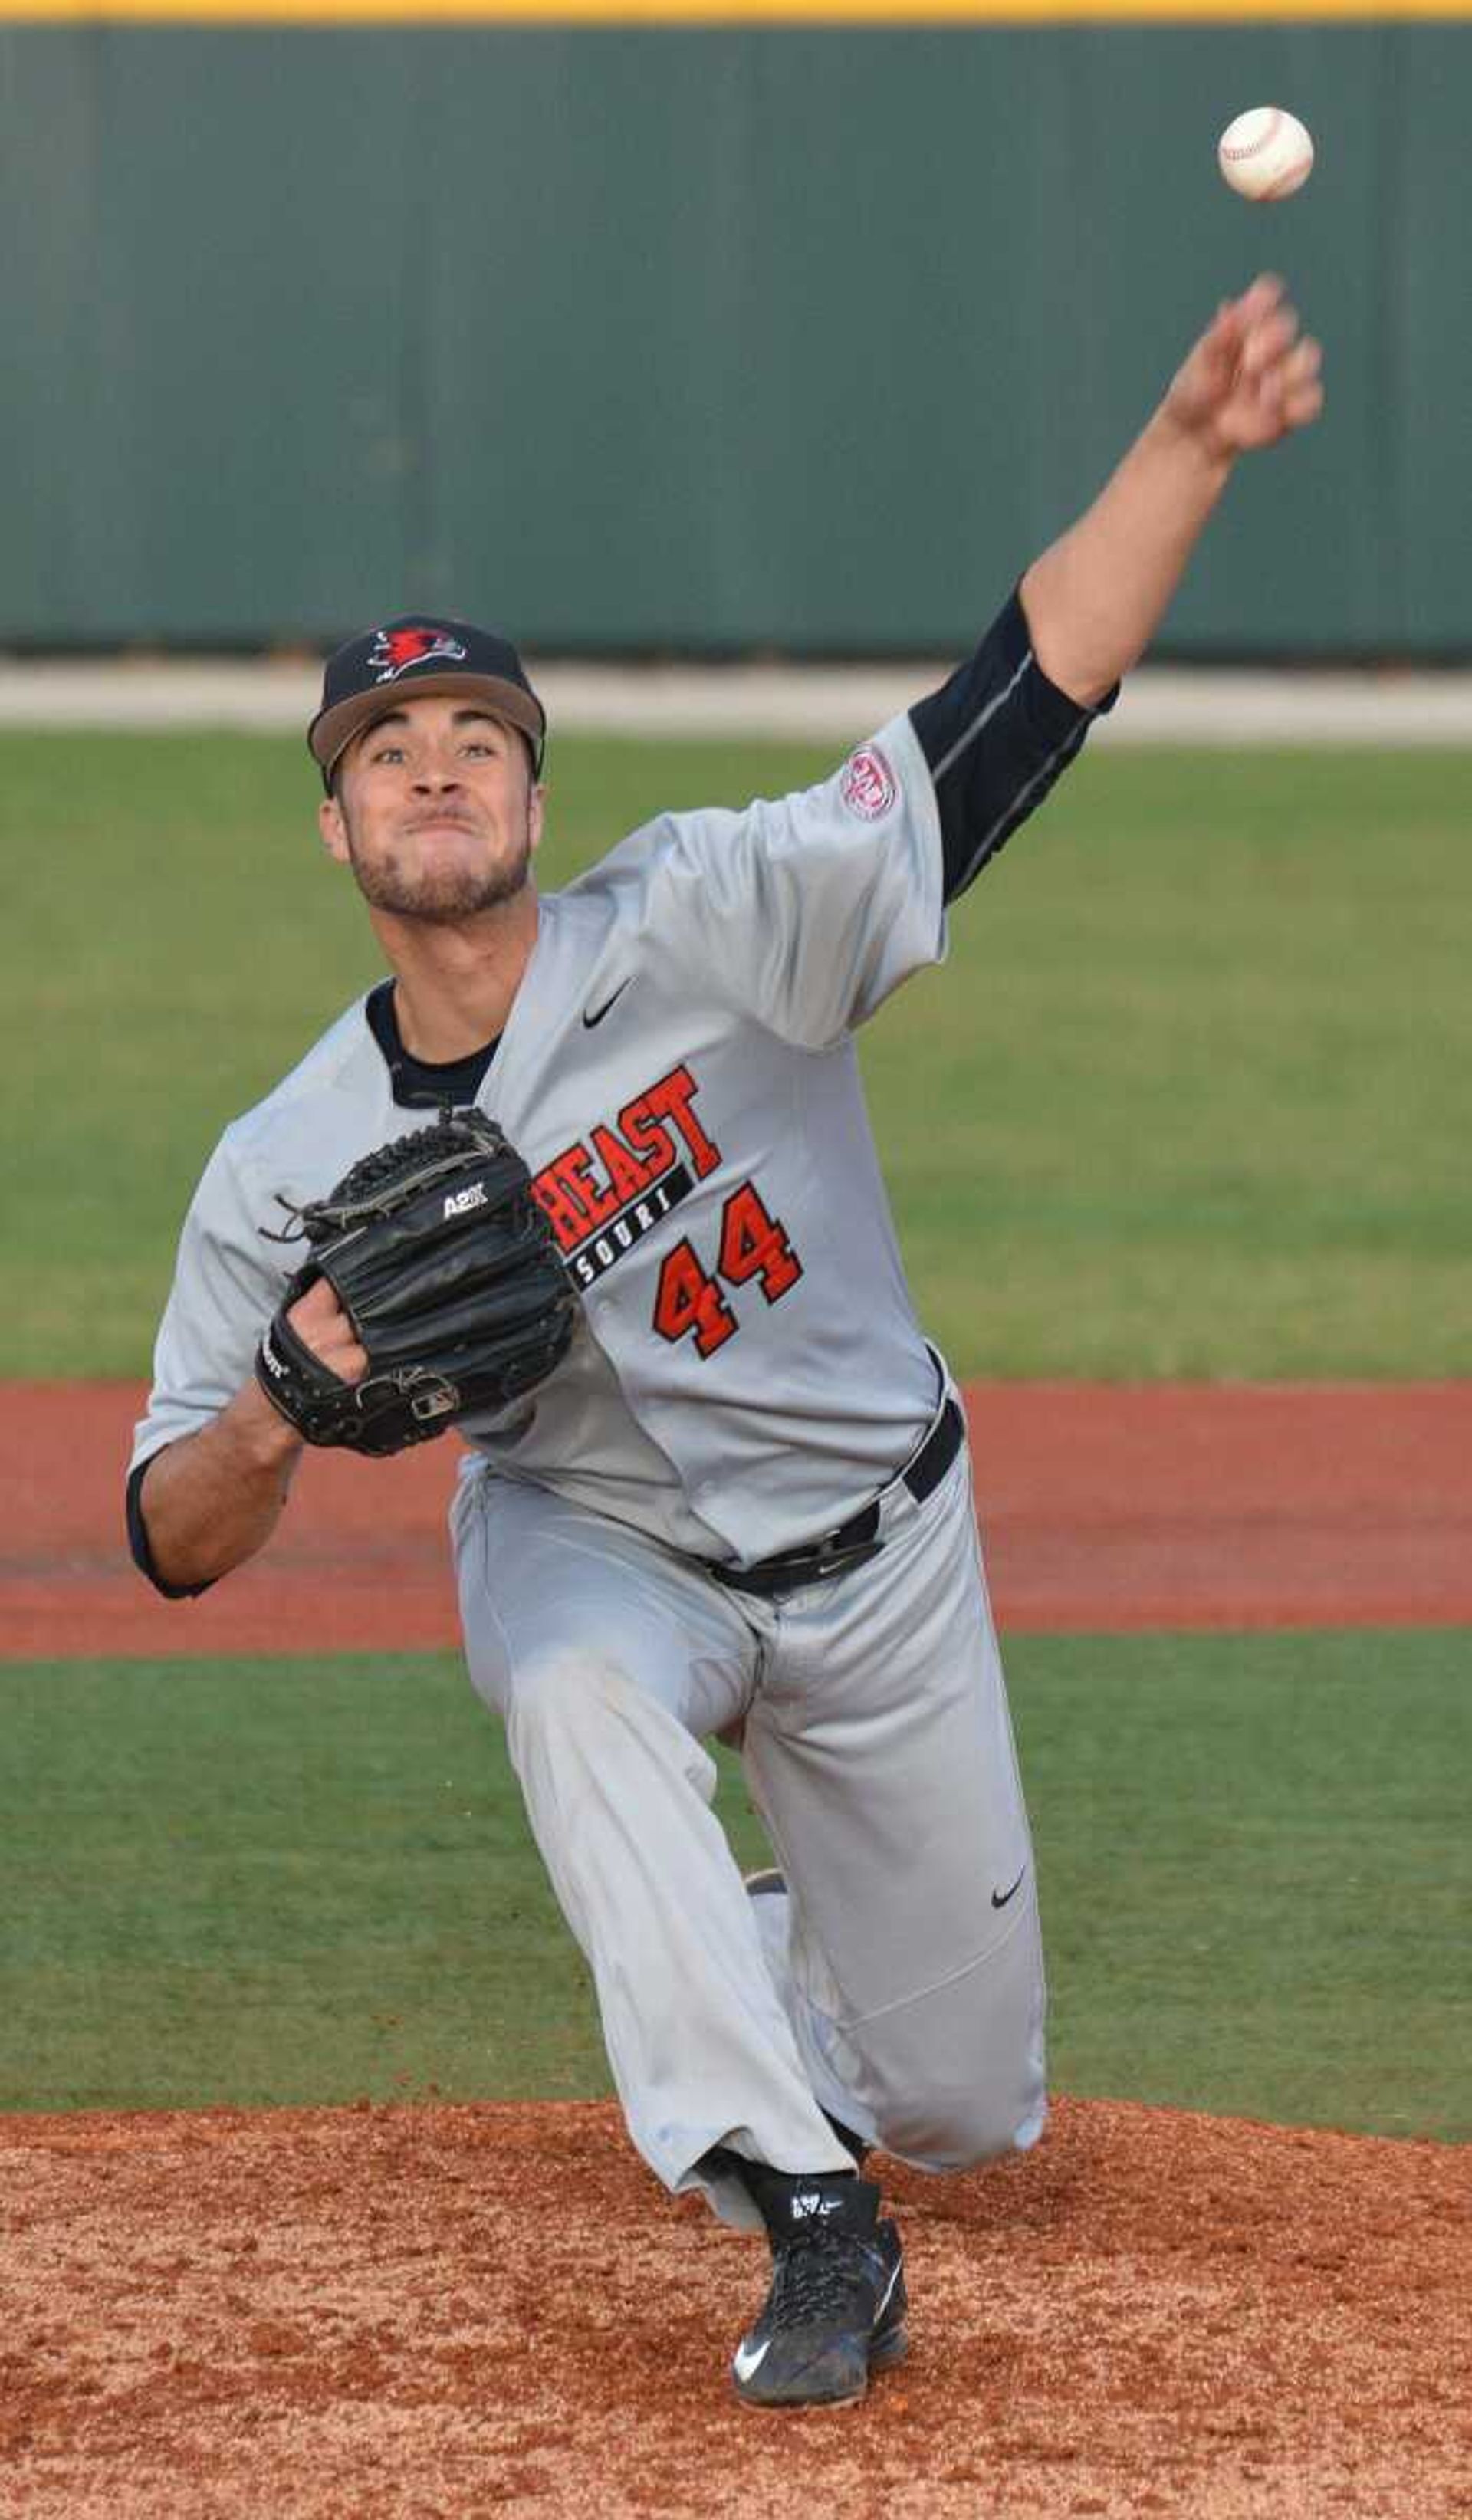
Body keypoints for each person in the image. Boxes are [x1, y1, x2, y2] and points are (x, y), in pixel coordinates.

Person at [129, 275, 1322, 2409]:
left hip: (884, 1551)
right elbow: (168, 1533)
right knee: (573, 1687)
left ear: (529, 790)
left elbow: (1018, 701)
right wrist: (279, 1413)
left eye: (470, 742)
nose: (429, 774)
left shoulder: (712, 913)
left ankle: (769, 1952)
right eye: (382, 755)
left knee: (970, 2106)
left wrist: (1193, 448)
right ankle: (807, 2210)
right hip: (599, 1546)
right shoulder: (285, 1157)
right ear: (337, 828)